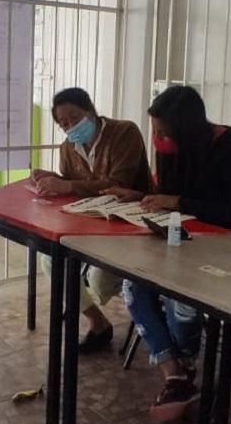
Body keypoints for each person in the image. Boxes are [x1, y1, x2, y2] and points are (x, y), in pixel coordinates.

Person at [104, 85, 231, 422]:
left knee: (180, 298)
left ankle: (185, 362)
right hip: (180, 243)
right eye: (155, 132)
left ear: (186, 129)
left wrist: (178, 202)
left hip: (225, 249)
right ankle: (174, 372)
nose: (158, 139)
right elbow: (167, 194)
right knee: (134, 286)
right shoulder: (173, 149)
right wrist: (140, 197)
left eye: (163, 132)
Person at [32, 87, 152, 352]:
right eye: (63, 124)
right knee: (50, 258)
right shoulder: (68, 147)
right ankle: (97, 321)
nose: (70, 127)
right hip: (89, 224)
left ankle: (81, 296)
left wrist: (67, 186)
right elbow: (74, 185)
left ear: (91, 111)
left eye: (75, 118)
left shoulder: (124, 132)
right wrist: (52, 179)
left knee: (99, 279)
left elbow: (117, 184)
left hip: (130, 225)